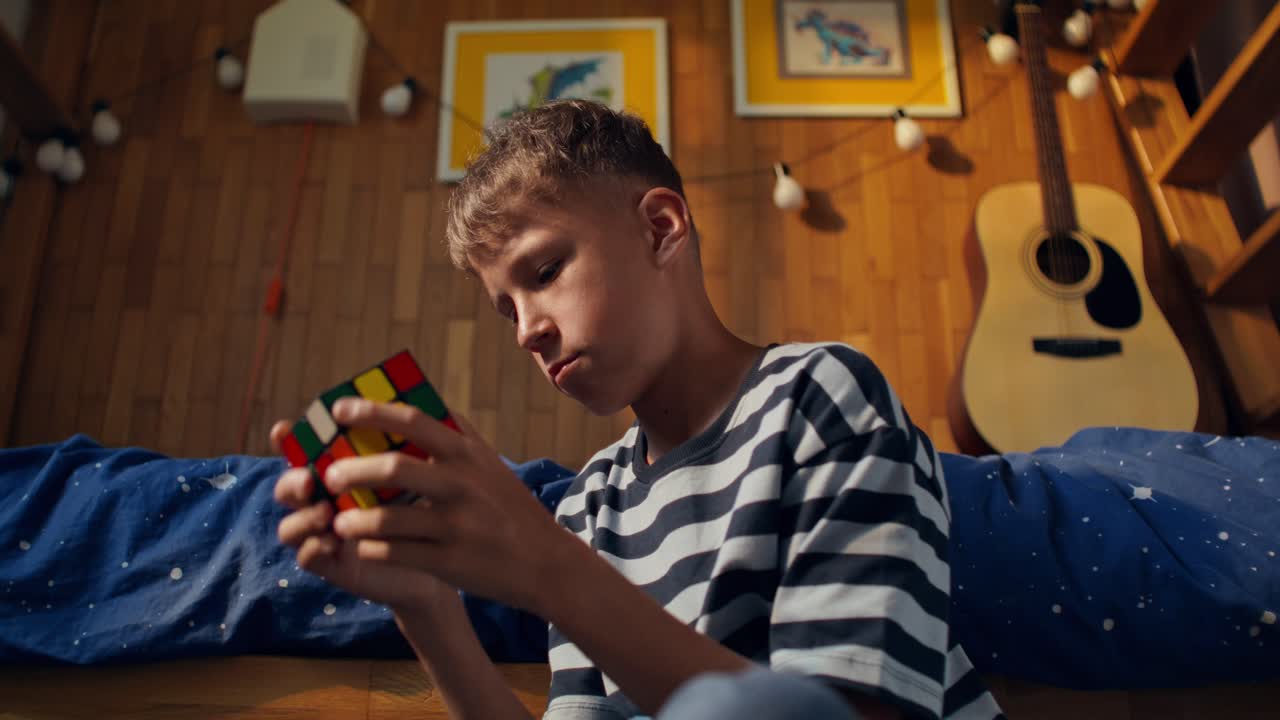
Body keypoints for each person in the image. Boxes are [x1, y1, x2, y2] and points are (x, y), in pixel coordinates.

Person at [272, 99, 1003, 720]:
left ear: (661, 228)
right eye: (507, 311)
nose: (527, 329)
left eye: (546, 271)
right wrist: (427, 609)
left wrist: (546, 565)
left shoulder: (817, 395)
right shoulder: (590, 505)